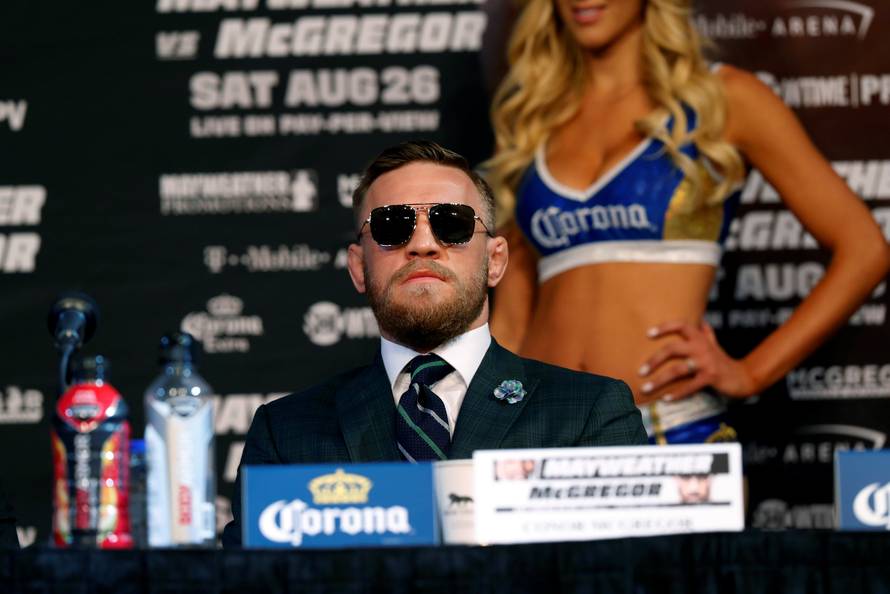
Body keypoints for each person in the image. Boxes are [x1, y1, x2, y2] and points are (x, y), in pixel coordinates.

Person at [486, 0, 890, 444]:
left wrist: (751, 373)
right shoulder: (536, 119)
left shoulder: (723, 98)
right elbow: (512, 318)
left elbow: (865, 249)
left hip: (671, 430)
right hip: (544, 436)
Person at [221, 140, 647, 547]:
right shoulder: (286, 431)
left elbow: (626, 573)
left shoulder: (590, 411)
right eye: (392, 225)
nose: (423, 244)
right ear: (358, 268)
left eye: (453, 224)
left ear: (495, 260)